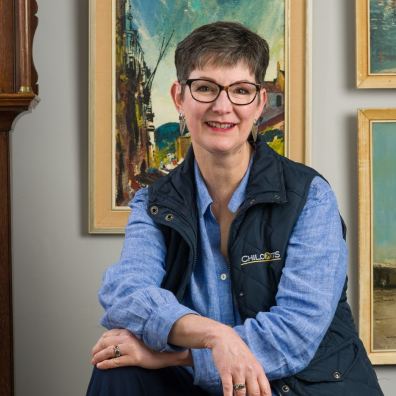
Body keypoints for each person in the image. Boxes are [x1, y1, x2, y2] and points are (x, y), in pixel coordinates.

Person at [87, 22, 383, 396]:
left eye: (240, 90)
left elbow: (294, 335)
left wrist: (176, 356)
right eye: (206, 87)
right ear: (179, 97)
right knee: (115, 369)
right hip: (205, 386)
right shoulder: (153, 202)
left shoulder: (310, 197)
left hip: (296, 385)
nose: (222, 106)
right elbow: (126, 293)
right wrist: (213, 335)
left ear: (259, 103)